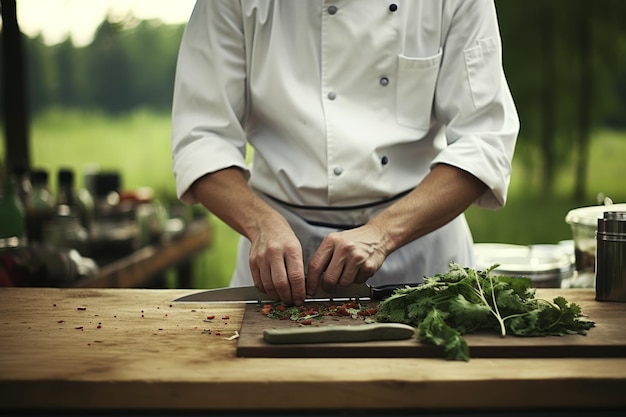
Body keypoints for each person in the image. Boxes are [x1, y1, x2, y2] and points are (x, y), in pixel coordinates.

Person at [171, 0, 519, 306]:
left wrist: (383, 233)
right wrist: (261, 225)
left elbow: (484, 140)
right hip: (280, 258)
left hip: (420, 255)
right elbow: (201, 138)